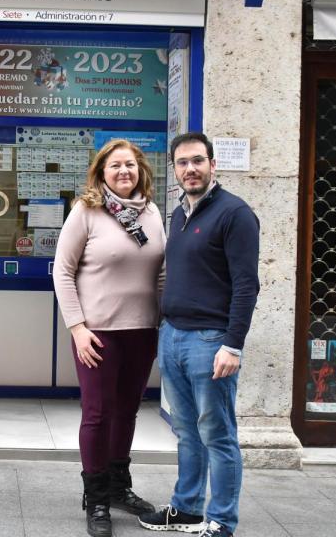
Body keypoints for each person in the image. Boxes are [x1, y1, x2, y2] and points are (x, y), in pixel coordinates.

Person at [139, 132, 260, 537]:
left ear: (213, 164)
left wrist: (233, 344)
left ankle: (221, 521)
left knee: (218, 434)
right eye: (182, 163)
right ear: (174, 169)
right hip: (173, 336)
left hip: (212, 341)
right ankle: (187, 508)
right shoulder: (178, 214)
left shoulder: (235, 214)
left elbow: (246, 285)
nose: (190, 169)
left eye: (197, 161)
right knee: (186, 430)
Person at [53, 139, 167, 537]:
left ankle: (119, 487)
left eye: (131, 165)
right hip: (97, 334)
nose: (124, 172)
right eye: (116, 165)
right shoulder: (86, 211)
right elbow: (62, 272)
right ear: (101, 171)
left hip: (142, 331)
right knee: (98, 414)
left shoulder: (152, 213)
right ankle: (97, 498)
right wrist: (78, 329)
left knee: (127, 412)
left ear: (141, 171)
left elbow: (160, 273)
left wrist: (163, 319)